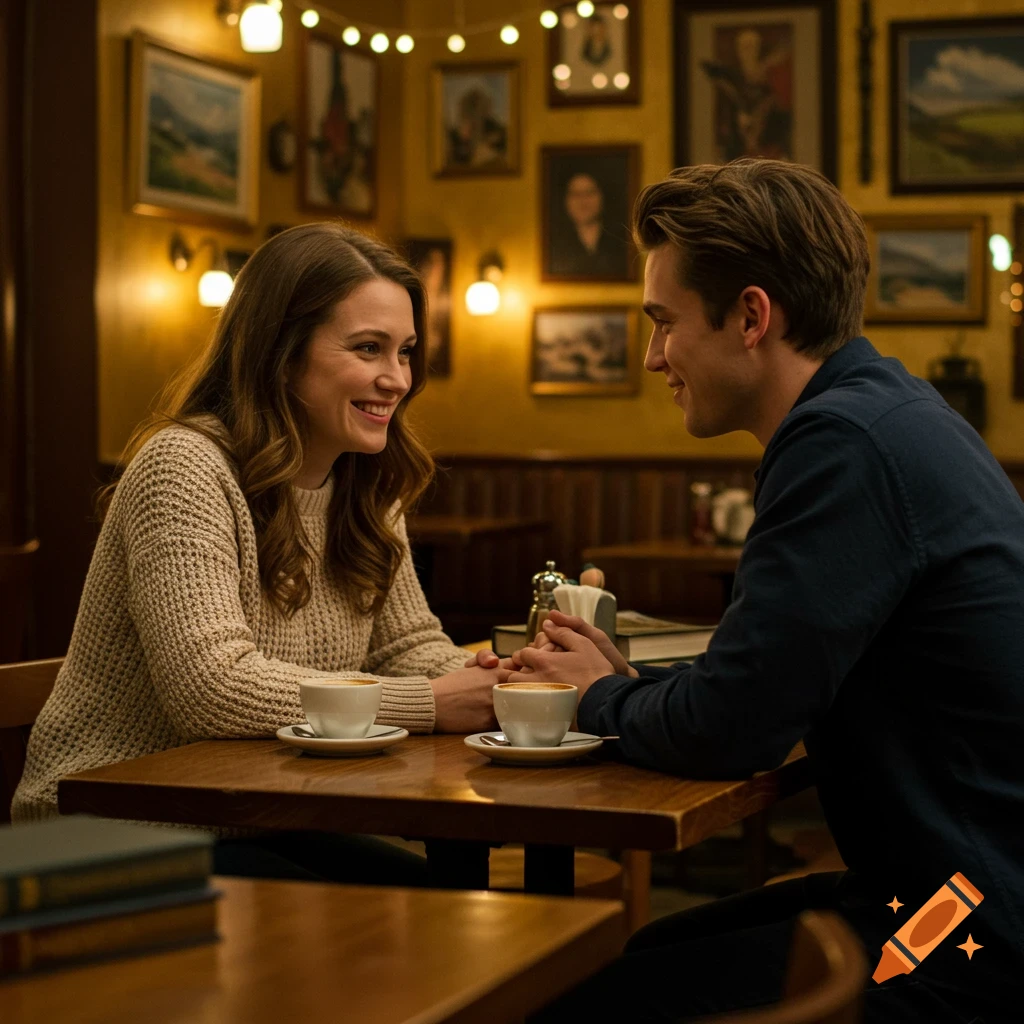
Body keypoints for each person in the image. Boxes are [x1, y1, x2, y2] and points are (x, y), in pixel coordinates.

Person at [504, 160, 1024, 1022]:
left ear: (751, 316)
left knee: (584, 1000)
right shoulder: (885, 412)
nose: (651, 356)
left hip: (965, 929)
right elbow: (762, 680)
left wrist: (595, 701)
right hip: (968, 892)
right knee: (647, 951)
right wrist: (622, 690)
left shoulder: (843, 443)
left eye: (664, 323)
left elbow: (735, 725)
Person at [12, 223, 506, 884]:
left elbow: (407, 651)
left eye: (406, 352)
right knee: (425, 924)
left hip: (263, 818)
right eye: (368, 349)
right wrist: (433, 703)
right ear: (282, 351)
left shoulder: (368, 485)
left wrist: (507, 680)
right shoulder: (184, 467)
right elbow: (211, 688)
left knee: (454, 909)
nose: (396, 380)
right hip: (107, 829)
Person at [548, 171, 626, 278]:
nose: (583, 201)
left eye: (589, 193)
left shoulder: (621, 237)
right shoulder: (554, 240)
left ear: (602, 196)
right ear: (566, 200)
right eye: (576, 195)